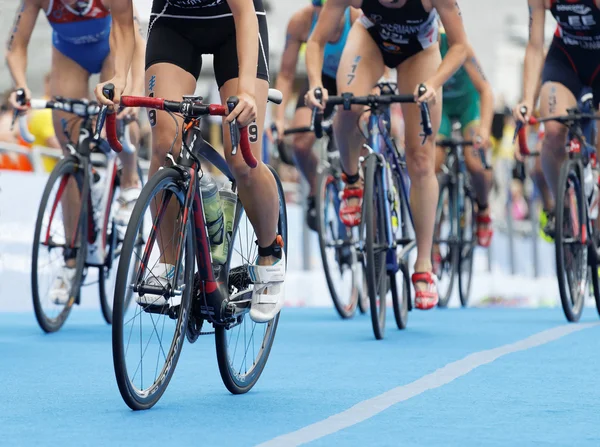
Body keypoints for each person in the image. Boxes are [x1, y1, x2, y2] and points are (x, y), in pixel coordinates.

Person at [94, 0, 286, 323]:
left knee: (240, 157)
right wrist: (118, 77)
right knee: (165, 145)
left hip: (234, 24)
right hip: (174, 24)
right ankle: (169, 262)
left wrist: (248, 93)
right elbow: (124, 23)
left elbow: (244, 16)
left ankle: (270, 254)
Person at [305, 0, 468, 309]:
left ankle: (423, 265)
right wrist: (315, 84)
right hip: (371, 40)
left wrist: (433, 84)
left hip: (419, 51)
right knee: (348, 105)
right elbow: (315, 41)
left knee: (420, 159)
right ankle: (351, 178)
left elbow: (460, 46)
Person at [5, 0, 146, 304]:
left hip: (115, 49)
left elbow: (134, 35)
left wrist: (133, 92)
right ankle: (72, 257)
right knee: (70, 151)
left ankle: (130, 178)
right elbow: (16, 46)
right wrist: (20, 86)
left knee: (120, 118)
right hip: (69, 55)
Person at [269, 0, 360, 231]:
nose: (326, 18)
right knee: (300, 143)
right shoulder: (301, 22)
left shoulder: (356, 17)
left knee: (359, 133)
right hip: (320, 80)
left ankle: (361, 183)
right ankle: (315, 189)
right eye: (320, 11)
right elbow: (286, 75)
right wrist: (278, 119)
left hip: (353, 77)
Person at [514, 0, 600, 237]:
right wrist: (527, 101)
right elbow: (534, 46)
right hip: (566, 57)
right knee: (552, 132)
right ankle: (563, 207)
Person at [435, 26, 495, 248]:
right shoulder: (431, 46)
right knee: (433, 164)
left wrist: (485, 130)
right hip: (441, 106)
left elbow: (486, 90)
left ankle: (483, 208)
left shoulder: (463, 49)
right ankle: (433, 238)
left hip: (467, 105)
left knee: (475, 162)